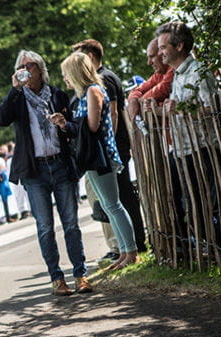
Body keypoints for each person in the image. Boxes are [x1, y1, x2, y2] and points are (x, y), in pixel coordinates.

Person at [0, 49, 90, 295]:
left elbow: (73, 128)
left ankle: (81, 275)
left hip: (60, 164)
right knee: (45, 226)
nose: (26, 69)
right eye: (22, 66)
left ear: (41, 69)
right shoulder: (17, 98)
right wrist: (14, 88)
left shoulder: (57, 94)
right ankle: (57, 279)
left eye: (31, 65)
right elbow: (1, 119)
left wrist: (64, 124)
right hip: (34, 170)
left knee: (70, 223)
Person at [57, 52, 138, 270]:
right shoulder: (84, 94)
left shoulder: (93, 91)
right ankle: (124, 251)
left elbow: (92, 126)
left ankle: (130, 251)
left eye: (66, 74)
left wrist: (72, 124)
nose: (64, 78)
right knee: (109, 205)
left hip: (100, 155)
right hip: (94, 157)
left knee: (113, 204)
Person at [72, 39, 147, 254]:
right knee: (112, 202)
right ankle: (123, 246)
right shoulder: (96, 82)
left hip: (111, 149)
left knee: (121, 199)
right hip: (108, 149)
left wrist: (107, 144)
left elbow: (113, 113)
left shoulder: (104, 79)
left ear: (92, 57)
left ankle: (133, 245)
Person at [157, 21, 219, 250]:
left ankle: (220, 246)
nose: (160, 51)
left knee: (209, 201)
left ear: (180, 46)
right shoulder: (178, 75)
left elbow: (214, 110)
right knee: (192, 201)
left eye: (164, 47)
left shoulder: (198, 72)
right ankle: (205, 243)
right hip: (183, 148)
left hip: (202, 147)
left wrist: (181, 110)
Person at [127, 38, 175, 122]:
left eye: (152, 57)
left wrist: (140, 101)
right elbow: (136, 90)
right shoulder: (158, 74)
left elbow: (163, 88)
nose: (149, 63)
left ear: (162, 53)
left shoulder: (173, 69)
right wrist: (133, 98)